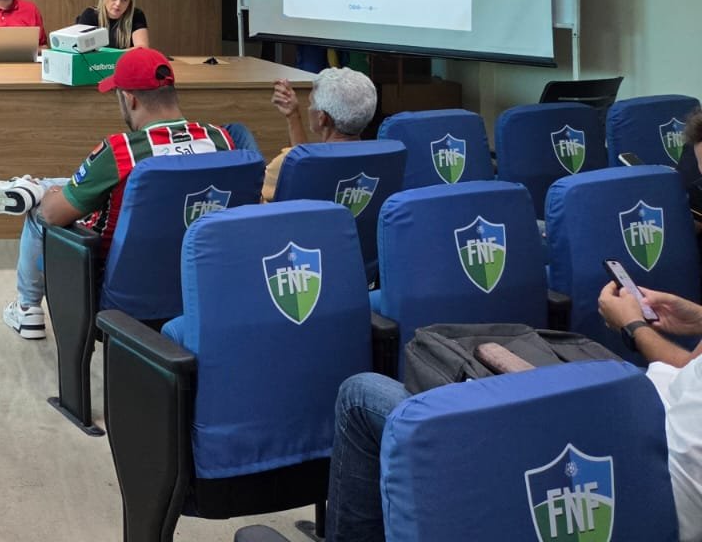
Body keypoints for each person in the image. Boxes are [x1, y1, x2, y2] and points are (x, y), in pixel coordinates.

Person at [314, 107, 702, 542]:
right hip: (638, 422)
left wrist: (634, 327)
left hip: (624, 460)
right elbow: (691, 371)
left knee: (360, 396)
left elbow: (687, 376)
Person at [0, 48, 234, 339]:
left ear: (130, 99)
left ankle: (27, 308)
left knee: (39, 210)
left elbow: (52, 215)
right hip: (201, 285)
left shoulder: (121, 152)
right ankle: (38, 186)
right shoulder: (223, 140)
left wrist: (50, 196)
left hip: (119, 293)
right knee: (96, 187)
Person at [265, 66, 379, 199]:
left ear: (322, 118)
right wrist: (293, 116)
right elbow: (305, 161)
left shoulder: (286, 164)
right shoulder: (382, 159)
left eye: (311, 103)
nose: (309, 107)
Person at [74, 0, 149, 50]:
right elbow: (80, 48)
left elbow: (142, 48)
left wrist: (113, 55)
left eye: (124, 0)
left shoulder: (136, 15)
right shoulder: (90, 15)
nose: (118, 4)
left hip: (126, 58)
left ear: (130, 3)